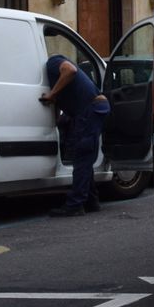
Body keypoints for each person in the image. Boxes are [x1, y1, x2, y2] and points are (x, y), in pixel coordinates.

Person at [41, 53, 111, 217]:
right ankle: (91, 201)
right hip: (92, 108)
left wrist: (52, 94)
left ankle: (75, 205)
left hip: (90, 109)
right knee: (85, 156)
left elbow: (70, 70)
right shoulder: (51, 76)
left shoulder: (53, 62)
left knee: (82, 156)